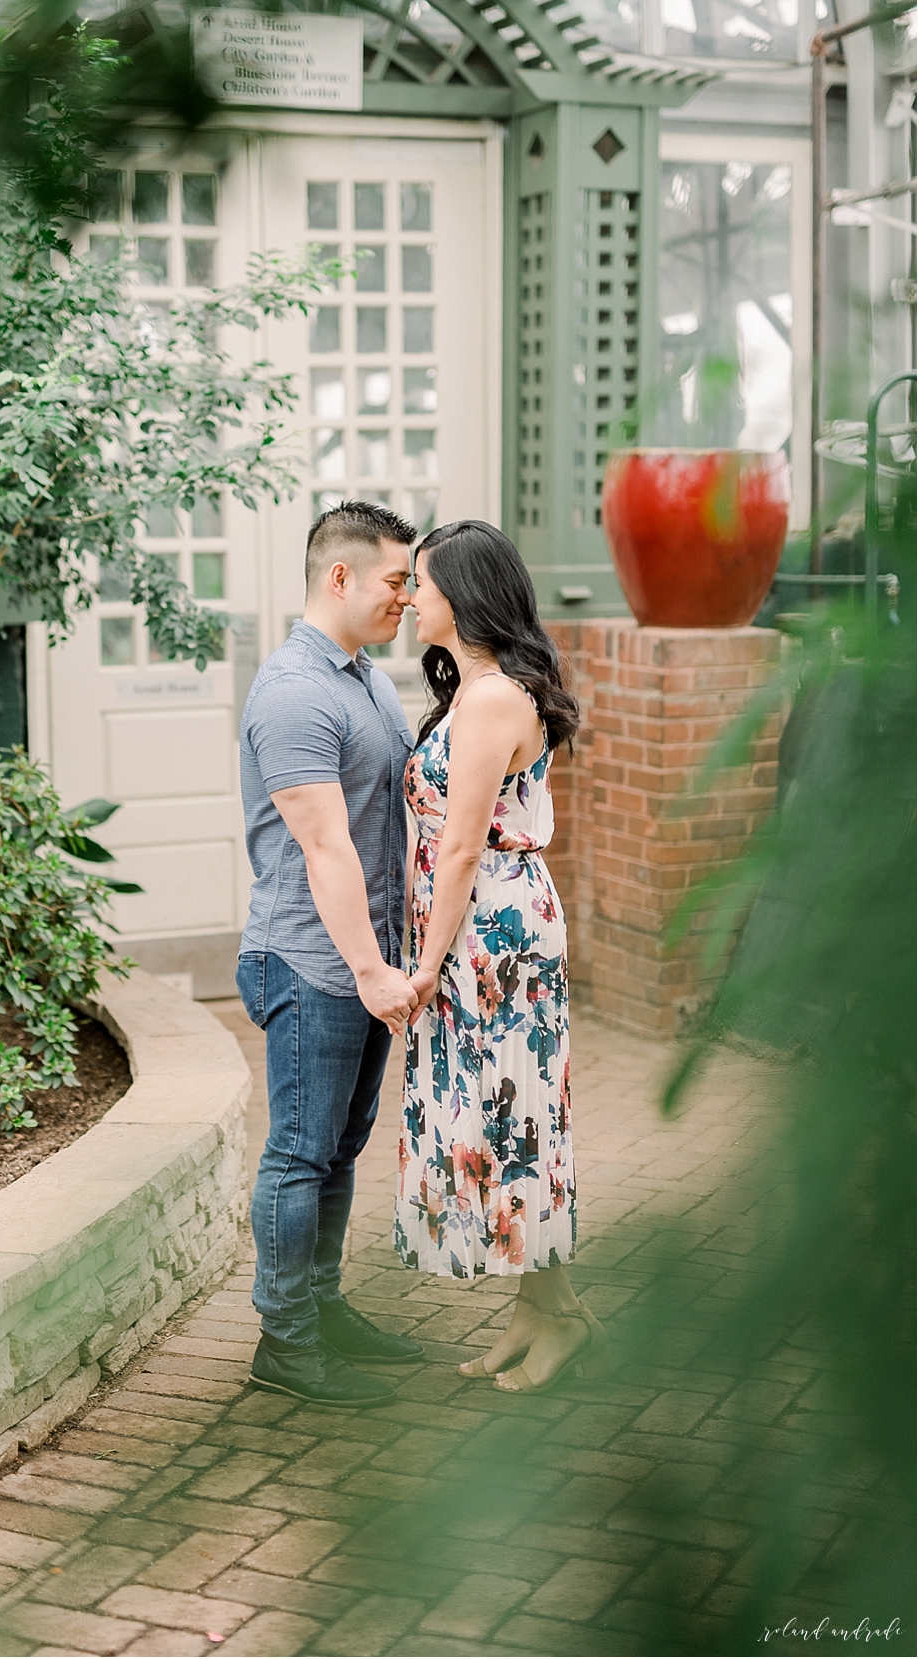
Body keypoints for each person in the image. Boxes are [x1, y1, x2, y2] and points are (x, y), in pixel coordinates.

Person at [396, 519, 609, 1392]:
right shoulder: (485, 687)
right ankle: (541, 1307)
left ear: (465, 594)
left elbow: (459, 848)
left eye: (422, 583)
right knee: (505, 1115)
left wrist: (422, 966)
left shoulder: (488, 699)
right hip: (489, 928)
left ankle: (560, 1316)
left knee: (510, 1118)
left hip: (491, 937)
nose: (411, 597)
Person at [237, 501, 427, 1405]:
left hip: (367, 957)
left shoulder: (371, 682)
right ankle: (286, 1336)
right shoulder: (291, 693)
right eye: (397, 580)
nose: (409, 597)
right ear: (339, 576)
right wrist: (368, 970)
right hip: (313, 961)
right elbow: (326, 848)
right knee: (299, 1154)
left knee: (342, 1149)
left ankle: (323, 1305)